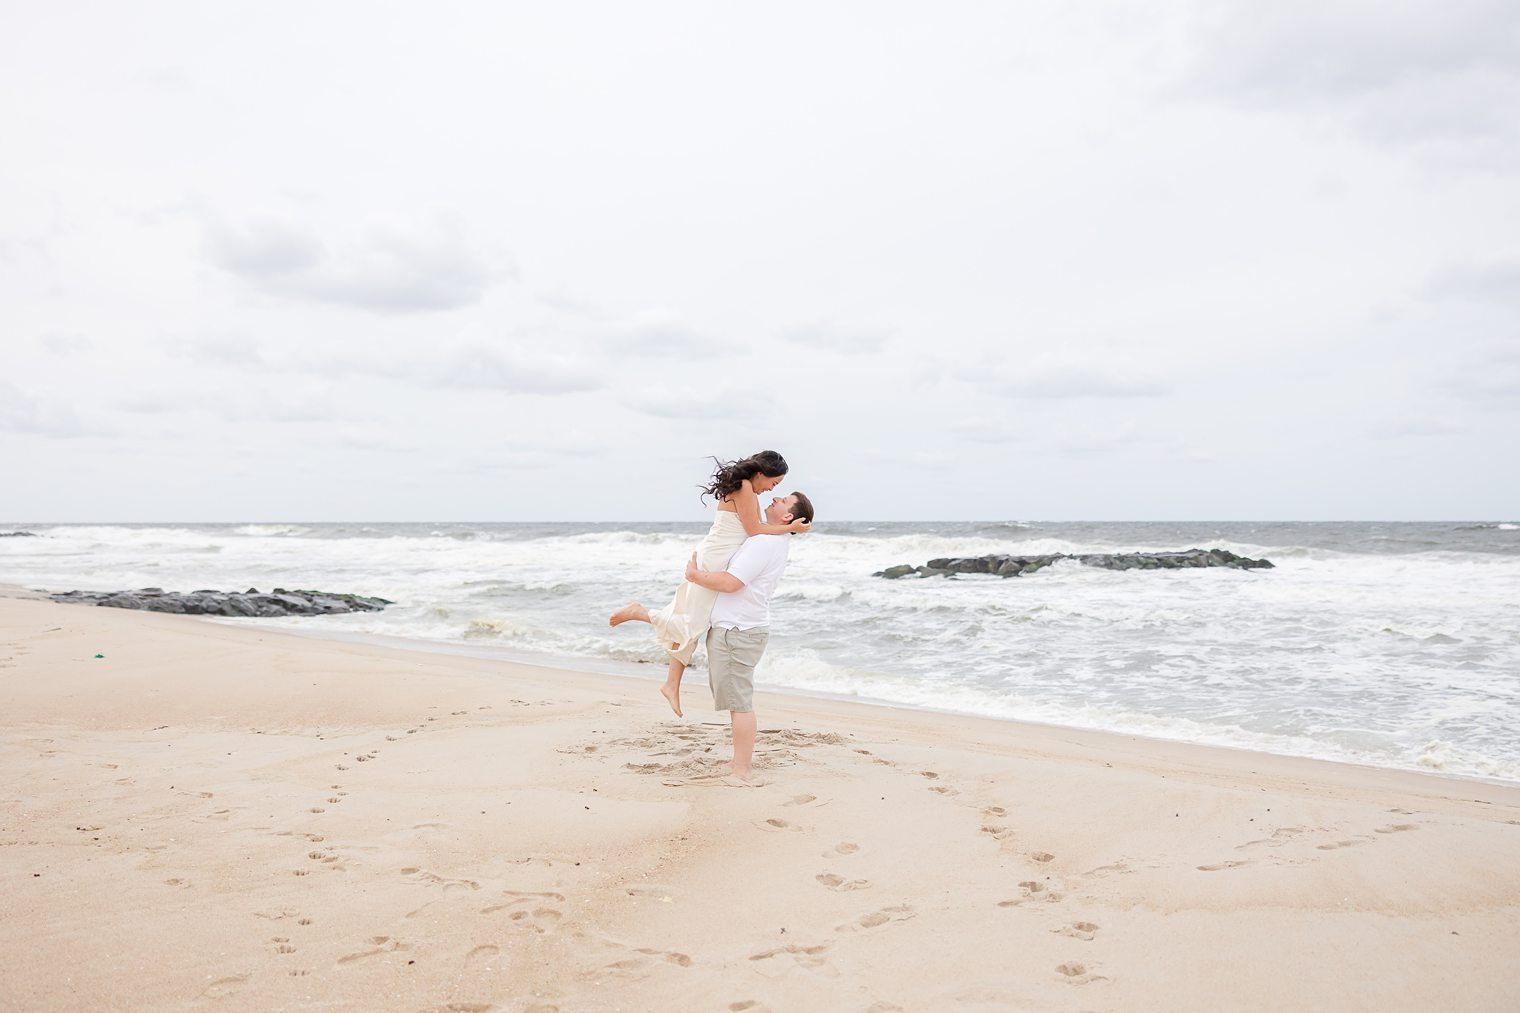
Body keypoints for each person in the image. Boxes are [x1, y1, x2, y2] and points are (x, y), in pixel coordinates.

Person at [609, 452, 809, 717]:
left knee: (692, 620)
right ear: (762, 473)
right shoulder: (745, 487)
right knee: (691, 621)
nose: (772, 489)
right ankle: (640, 613)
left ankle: (671, 684)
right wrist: (789, 528)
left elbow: (755, 527)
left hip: (717, 556)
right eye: (774, 483)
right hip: (716, 558)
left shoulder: (747, 489)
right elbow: (754, 529)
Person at [681, 490, 814, 778]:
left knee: (740, 704)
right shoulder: (770, 538)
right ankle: (739, 763)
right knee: (736, 701)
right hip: (741, 629)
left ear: (789, 516)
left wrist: (695, 576)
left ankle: (742, 768)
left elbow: (731, 583)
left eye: (784, 501)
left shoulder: (765, 542)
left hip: (737, 631)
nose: (775, 498)